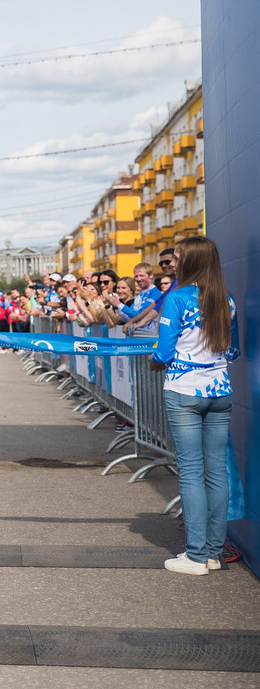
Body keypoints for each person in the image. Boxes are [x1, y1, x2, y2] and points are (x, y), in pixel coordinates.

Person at [150, 237, 239, 576]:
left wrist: (156, 361)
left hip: (184, 390)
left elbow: (163, 353)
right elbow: (232, 352)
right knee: (216, 472)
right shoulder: (226, 300)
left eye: (179, 257)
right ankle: (214, 553)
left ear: (190, 262)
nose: (174, 262)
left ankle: (196, 556)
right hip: (220, 390)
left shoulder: (177, 298)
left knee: (190, 472)